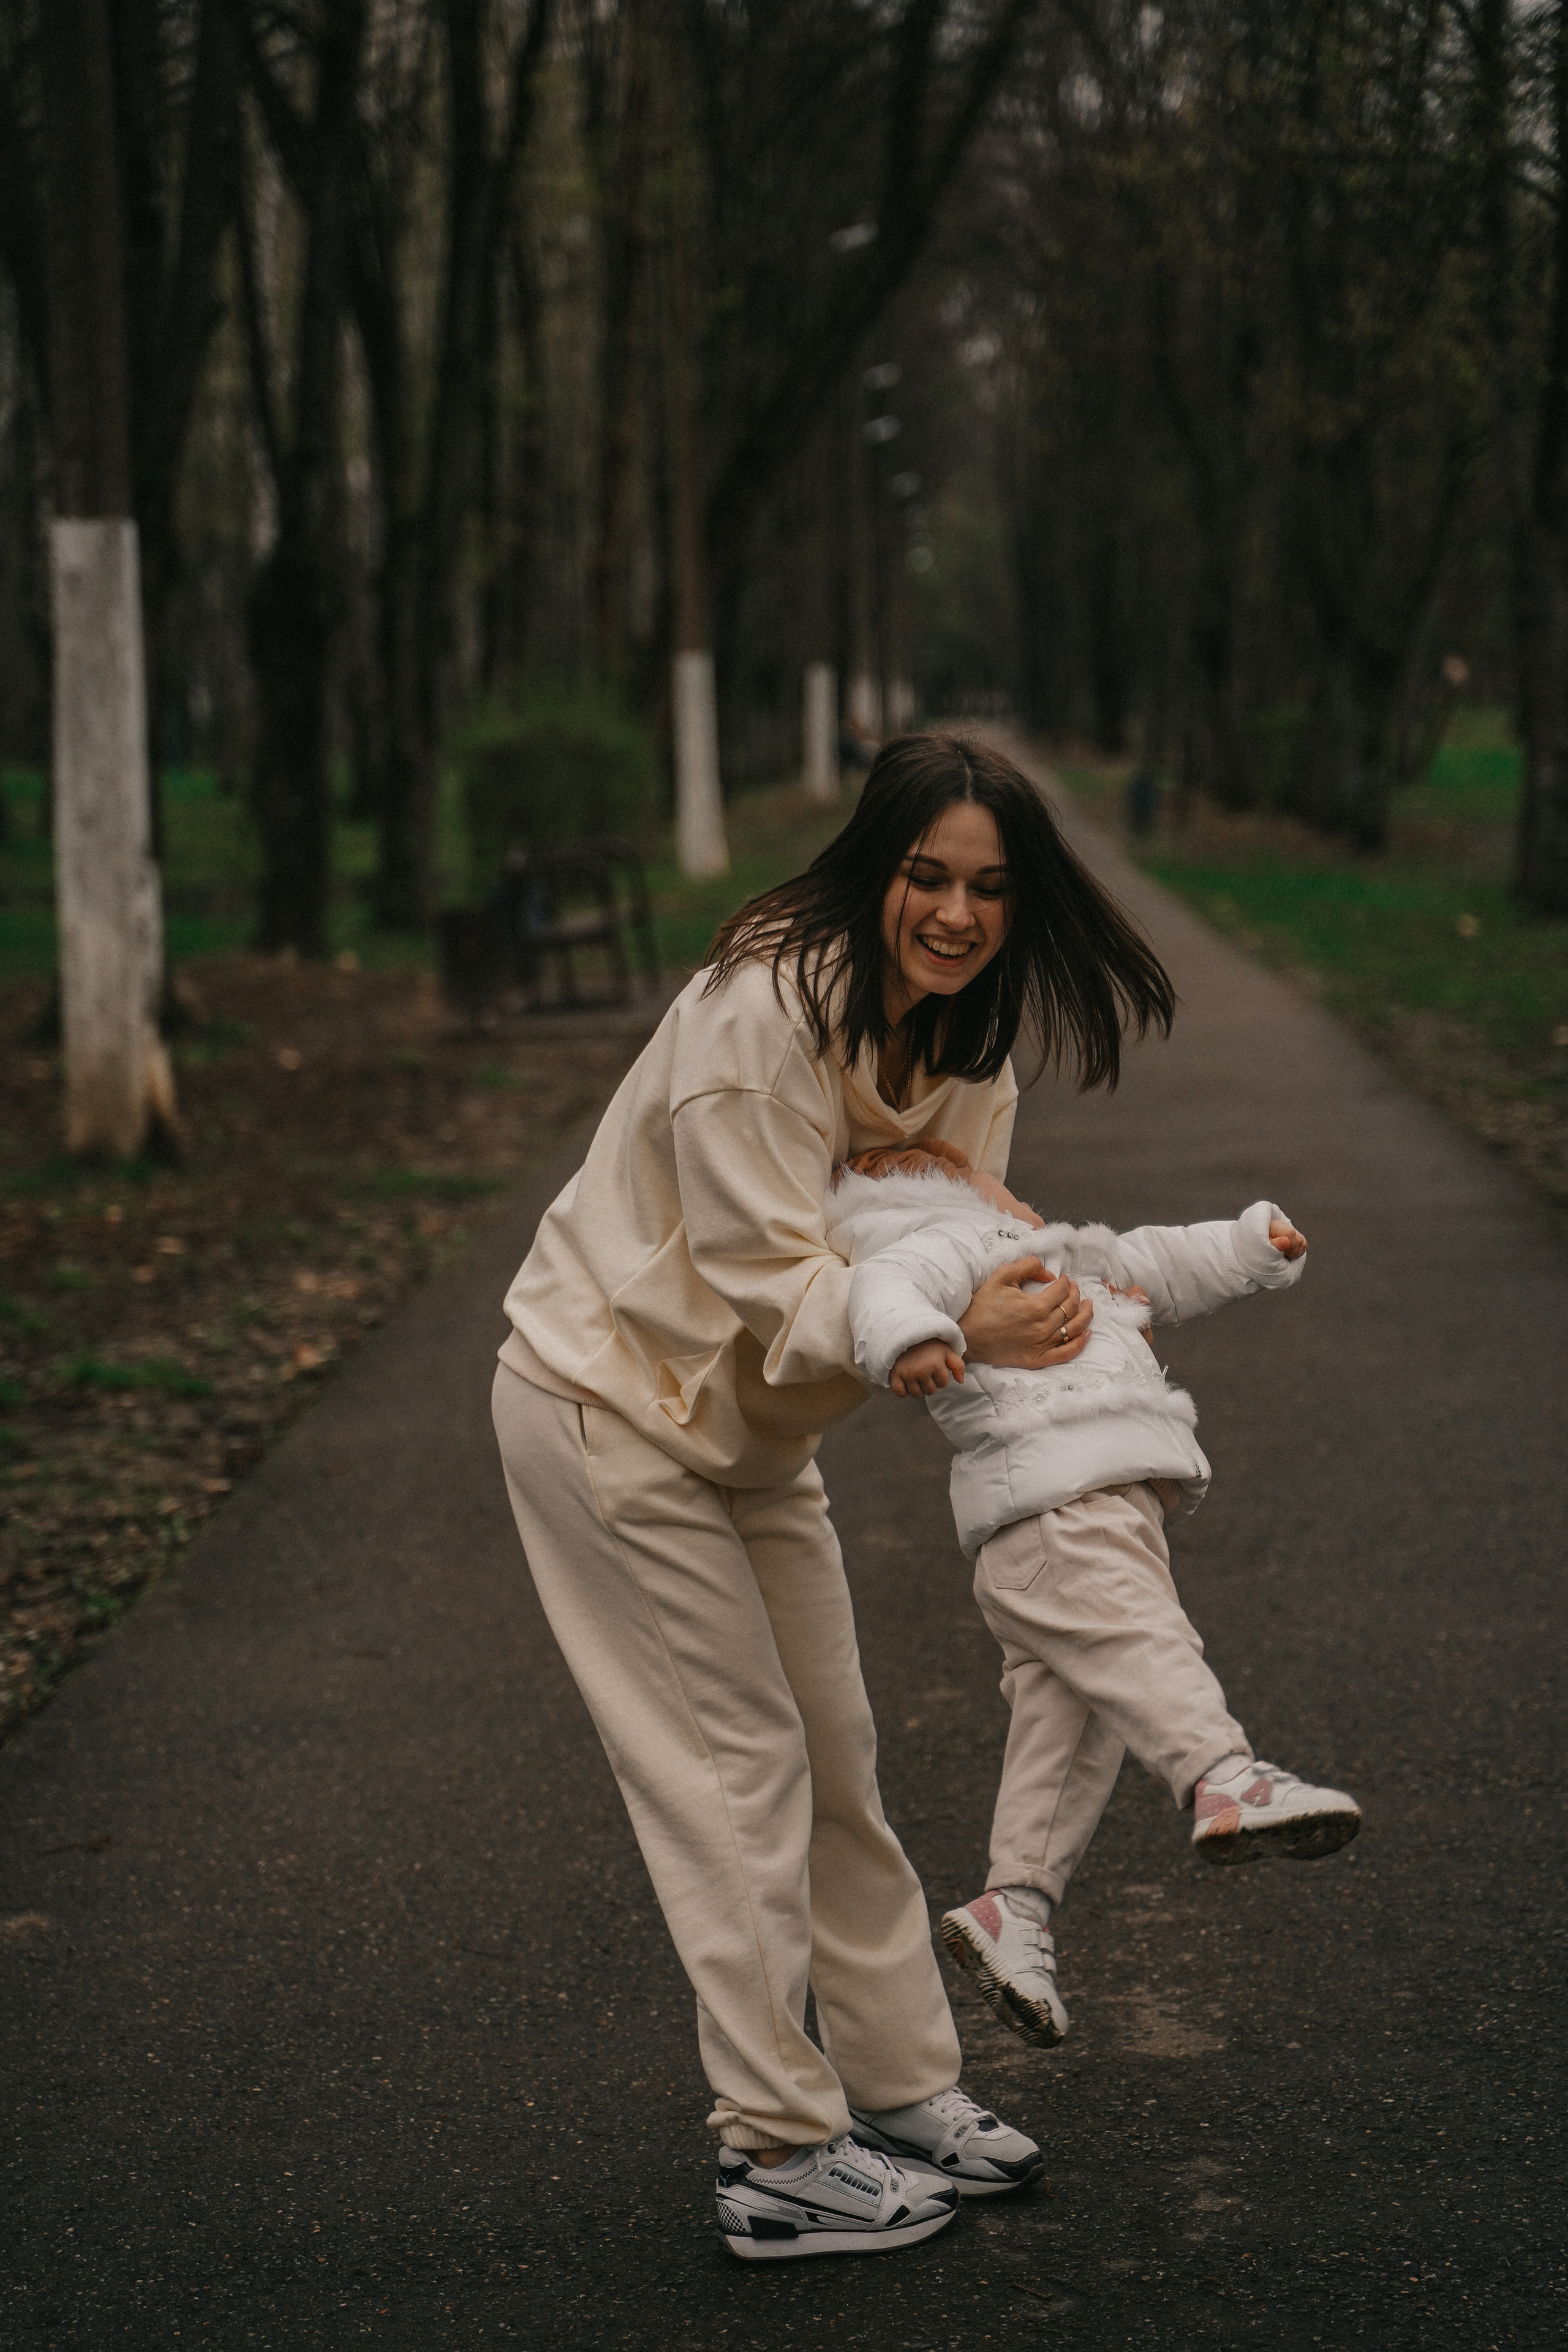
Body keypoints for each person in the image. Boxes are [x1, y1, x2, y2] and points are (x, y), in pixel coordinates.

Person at [489, 733, 1175, 2260]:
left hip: (746, 1436)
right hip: (610, 1402)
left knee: (836, 1753)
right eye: (925, 875)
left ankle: (896, 2088)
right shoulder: (759, 1014)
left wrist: (1045, 1396)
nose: (953, 911)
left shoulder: (967, 1040)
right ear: (875, 866)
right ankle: (776, 2154)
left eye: (988, 887)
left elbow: (934, 1232)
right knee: (735, 1773)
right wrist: (945, 1308)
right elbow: (775, 1280)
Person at [822, 1145, 1362, 2053]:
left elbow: (1155, 1262)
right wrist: (911, 1338)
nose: (1010, 1181)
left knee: (1074, 1727)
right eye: (979, 1172)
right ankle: (1222, 1776)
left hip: (1076, 1518)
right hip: (1063, 1511)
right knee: (1145, 1639)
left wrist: (1249, 1244)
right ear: (926, 1187)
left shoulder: (1060, 1255)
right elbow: (883, 1284)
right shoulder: (944, 1247)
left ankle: (1015, 1907)